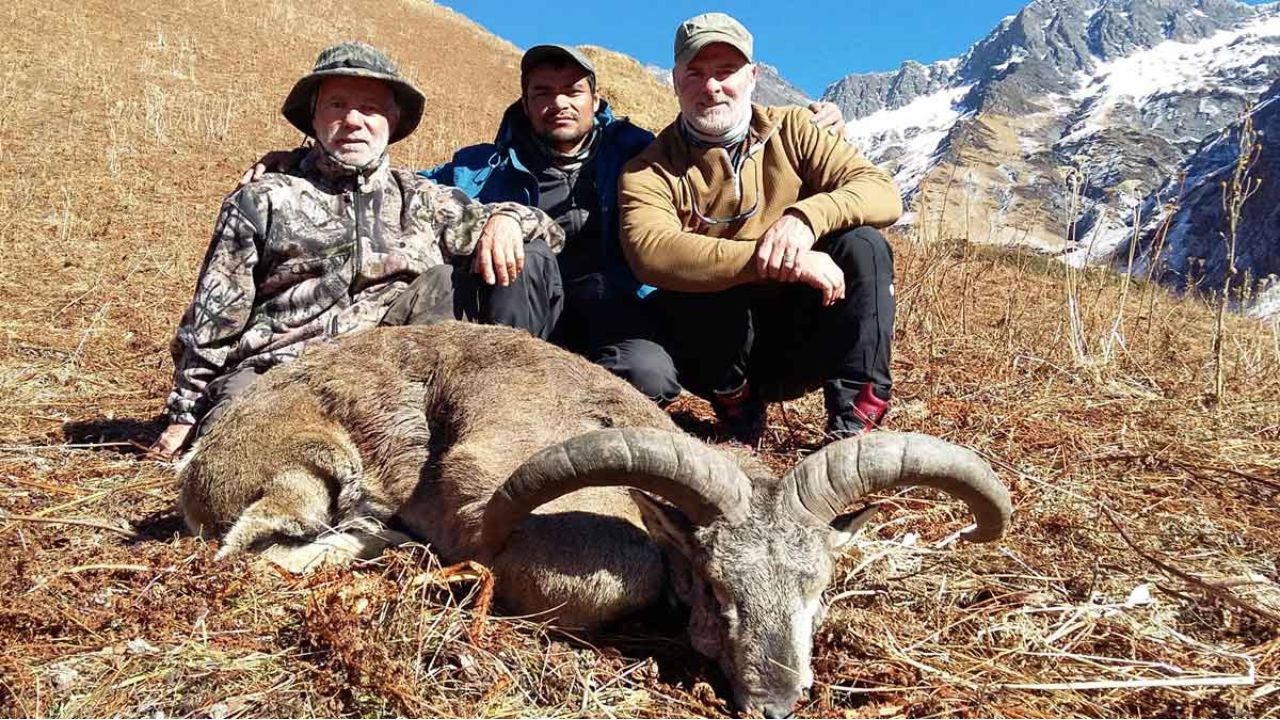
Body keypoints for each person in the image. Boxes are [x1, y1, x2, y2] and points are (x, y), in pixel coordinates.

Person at [241, 44, 848, 407]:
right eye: (542, 91)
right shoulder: (479, 166)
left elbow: (713, 137)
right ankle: (502, 409)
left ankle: (573, 424)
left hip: (614, 309)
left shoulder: (639, 150)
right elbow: (392, 181)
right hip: (519, 313)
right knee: (525, 257)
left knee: (649, 377)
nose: (558, 102)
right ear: (526, 102)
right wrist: (300, 160)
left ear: (594, 98)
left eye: (571, 90)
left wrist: (805, 123)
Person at [149, 41, 563, 459]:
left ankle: (501, 429)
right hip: (279, 374)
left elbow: (550, 232)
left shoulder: (422, 198)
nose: (352, 120)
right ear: (313, 117)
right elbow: (215, 313)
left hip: (388, 379)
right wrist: (185, 411)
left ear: (391, 121)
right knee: (245, 462)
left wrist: (509, 218)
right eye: (337, 105)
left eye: (370, 108)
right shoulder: (263, 198)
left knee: (451, 279)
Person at [618, 13, 903, 444]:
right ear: (676, 81)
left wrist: (804, 219)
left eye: (725, 71)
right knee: (690, 274)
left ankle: (855, 424)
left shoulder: (798, 129)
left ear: (752, 76)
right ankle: (738, 409)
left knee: (863, 245)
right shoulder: (649, 169)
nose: (711, 86)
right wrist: (774, 259)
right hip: (714, 353)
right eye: (695, 73)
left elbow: (882, 193)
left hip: (804, 332)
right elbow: (651, 252)